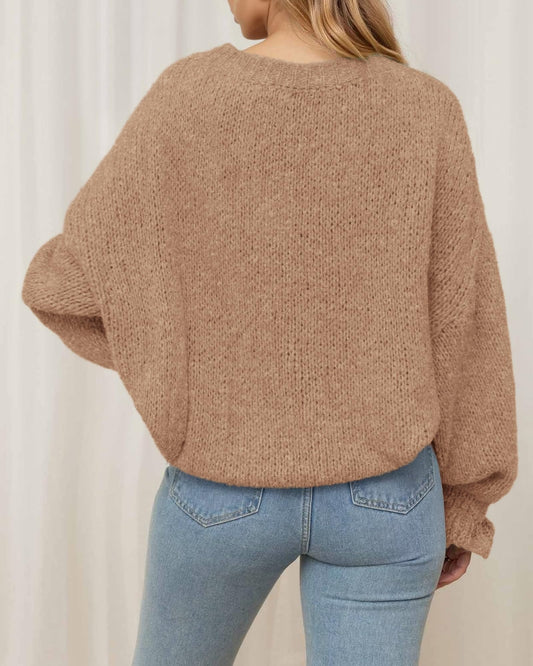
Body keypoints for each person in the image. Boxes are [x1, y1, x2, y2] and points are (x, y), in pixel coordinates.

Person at [21, 0, 519, 664]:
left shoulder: (189, 96)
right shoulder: (424, 107)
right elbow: (466, 324)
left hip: (221, 493)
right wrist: (464, 503)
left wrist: (186, 369)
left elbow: (63, 285)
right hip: (388, 500)